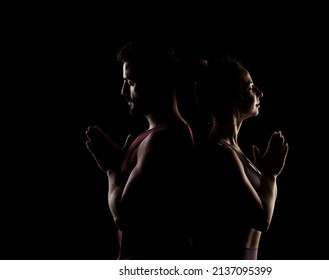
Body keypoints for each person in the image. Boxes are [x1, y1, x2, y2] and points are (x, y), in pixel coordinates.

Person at [85, 37, 195, 260]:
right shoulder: (154, 135)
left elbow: (123, 217)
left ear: (156, 83)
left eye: (131, 82)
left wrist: (112, 169)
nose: (123, 91)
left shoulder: (162, 139)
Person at [190, 57, 289, 260]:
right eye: (251, 87)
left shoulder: (232, 150)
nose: (260, 93)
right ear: (228, 98)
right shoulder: (220, 153)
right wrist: (270, 175)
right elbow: (262, 220)